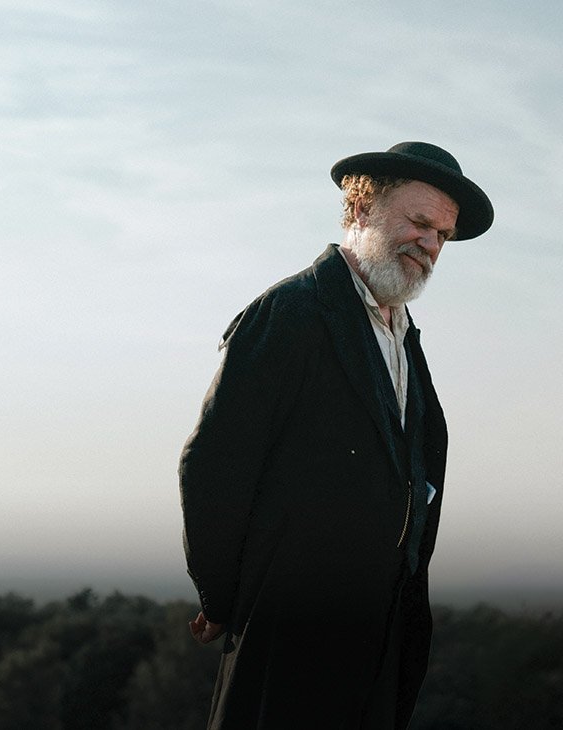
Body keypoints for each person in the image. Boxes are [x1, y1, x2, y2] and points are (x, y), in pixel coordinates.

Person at [179, 141, 493, 729]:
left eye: (442, 236)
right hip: (290, 627)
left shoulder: (404, 336)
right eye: (419, 222)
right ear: (361, 209)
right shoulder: (291, 311)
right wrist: (221, 597)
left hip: (379, 634)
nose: (430, 244)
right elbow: (215, 463)